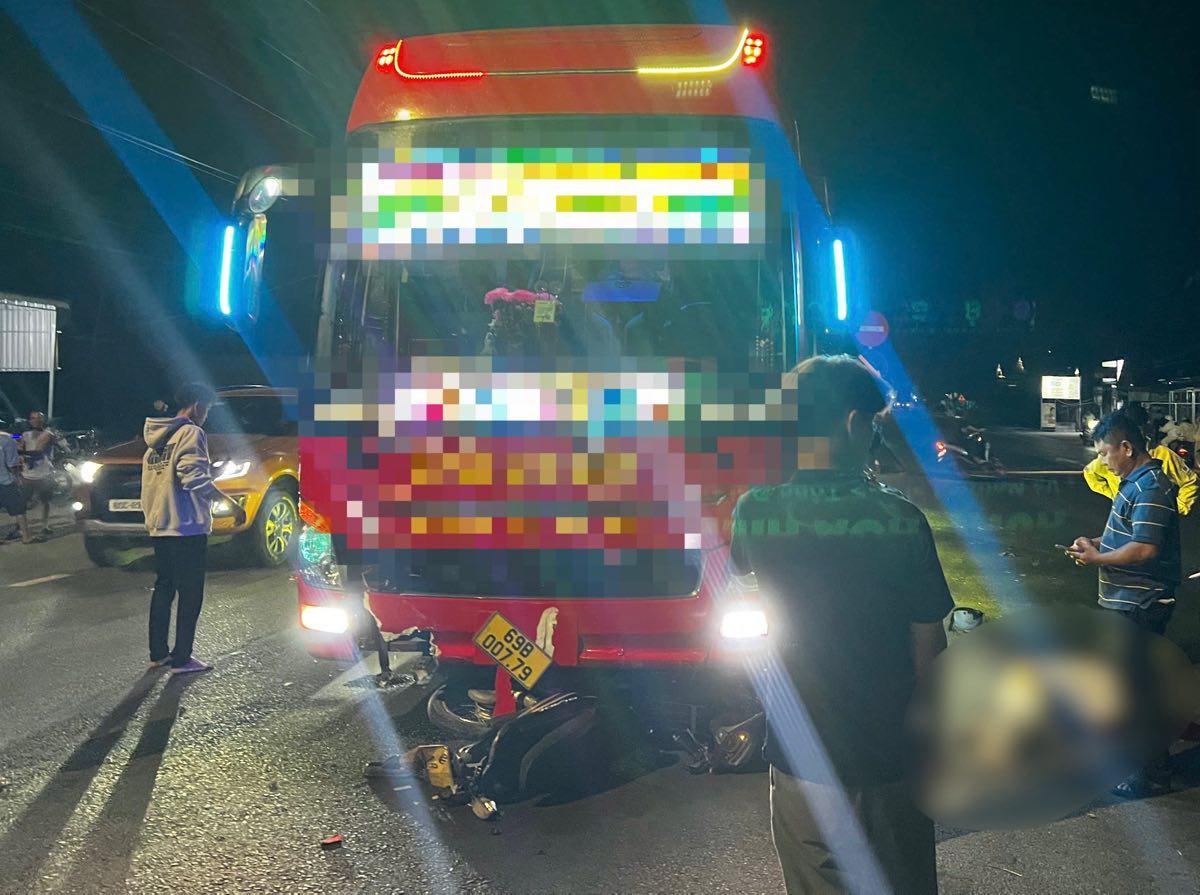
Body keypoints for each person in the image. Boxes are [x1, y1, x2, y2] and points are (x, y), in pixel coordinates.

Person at [730, 355, 953, 895]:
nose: (875, 436)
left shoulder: (756, 511)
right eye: (873, 424)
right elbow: (928, 649)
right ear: (854, 422)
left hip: (799, 750)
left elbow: (740, 574)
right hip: (889, 753)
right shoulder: (901, 520)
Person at [1067, 411, 1182, 797]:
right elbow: (1127, 537)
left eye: (1104, 453)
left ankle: (1144, 773)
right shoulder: (1133, 483)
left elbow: (1145, 548)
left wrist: (1097, 559)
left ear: (1127, 448)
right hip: (1126, 601)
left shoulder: (1151, 486)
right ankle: (1151, 768)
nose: (1102, 461)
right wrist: (1093, 544)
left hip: (1141, 603)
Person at [142, 383, 246, 674]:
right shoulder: (191, 432)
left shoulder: (157, 440)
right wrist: (231, 505)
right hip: (186, 527)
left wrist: (212, 472)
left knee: (164, 587)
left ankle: (158, 654)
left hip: (161, 525)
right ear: (198, 405)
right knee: (190, 593)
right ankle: (182, 658)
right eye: (208, 409)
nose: (206, 415)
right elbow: (192, 480)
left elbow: (167, 479)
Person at [1083, 404, 1196, 515]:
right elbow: (1090, 472)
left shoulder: (1163, 455)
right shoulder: (1109, 458)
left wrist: (1179, 508)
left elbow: (1190, 481)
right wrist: (1115, 496)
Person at [19, 410, 59, 537]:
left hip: (44, 474)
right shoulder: (25, 434)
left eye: (39, 418)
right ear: (30, 420)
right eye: (33, 418)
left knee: (45, 501)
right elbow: (18, 442)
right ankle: (21, 528)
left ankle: (44, 526)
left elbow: (37, 451)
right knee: (21, 503)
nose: (36, 420)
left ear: (43, 420)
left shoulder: (48, 434)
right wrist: (12, 438)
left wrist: (18, 451)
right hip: (27, 474)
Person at [1, 423, 32, 544]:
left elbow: (17, 436)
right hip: (6, 481)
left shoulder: (11, 437)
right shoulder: (8, 439)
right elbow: (12, 465)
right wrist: (18, 478)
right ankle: (26, 537)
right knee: (19, 508)